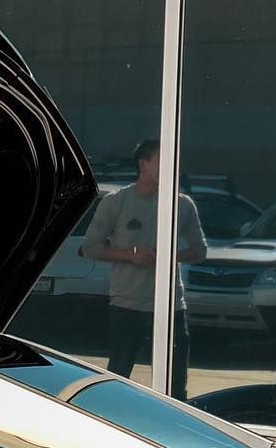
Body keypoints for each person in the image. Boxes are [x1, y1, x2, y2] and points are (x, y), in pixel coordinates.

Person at [81, 138, 207, 394]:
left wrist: (172, 256)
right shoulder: (116, 202)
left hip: (170, 306)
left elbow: (200, 251)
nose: (171, 168)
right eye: (163, 161)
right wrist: (131, 256)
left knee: (175, 384)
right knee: (118, 376)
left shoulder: (182, 204)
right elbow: (90, 248)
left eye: (174, 161)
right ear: (144, 164)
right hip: (128, 303)